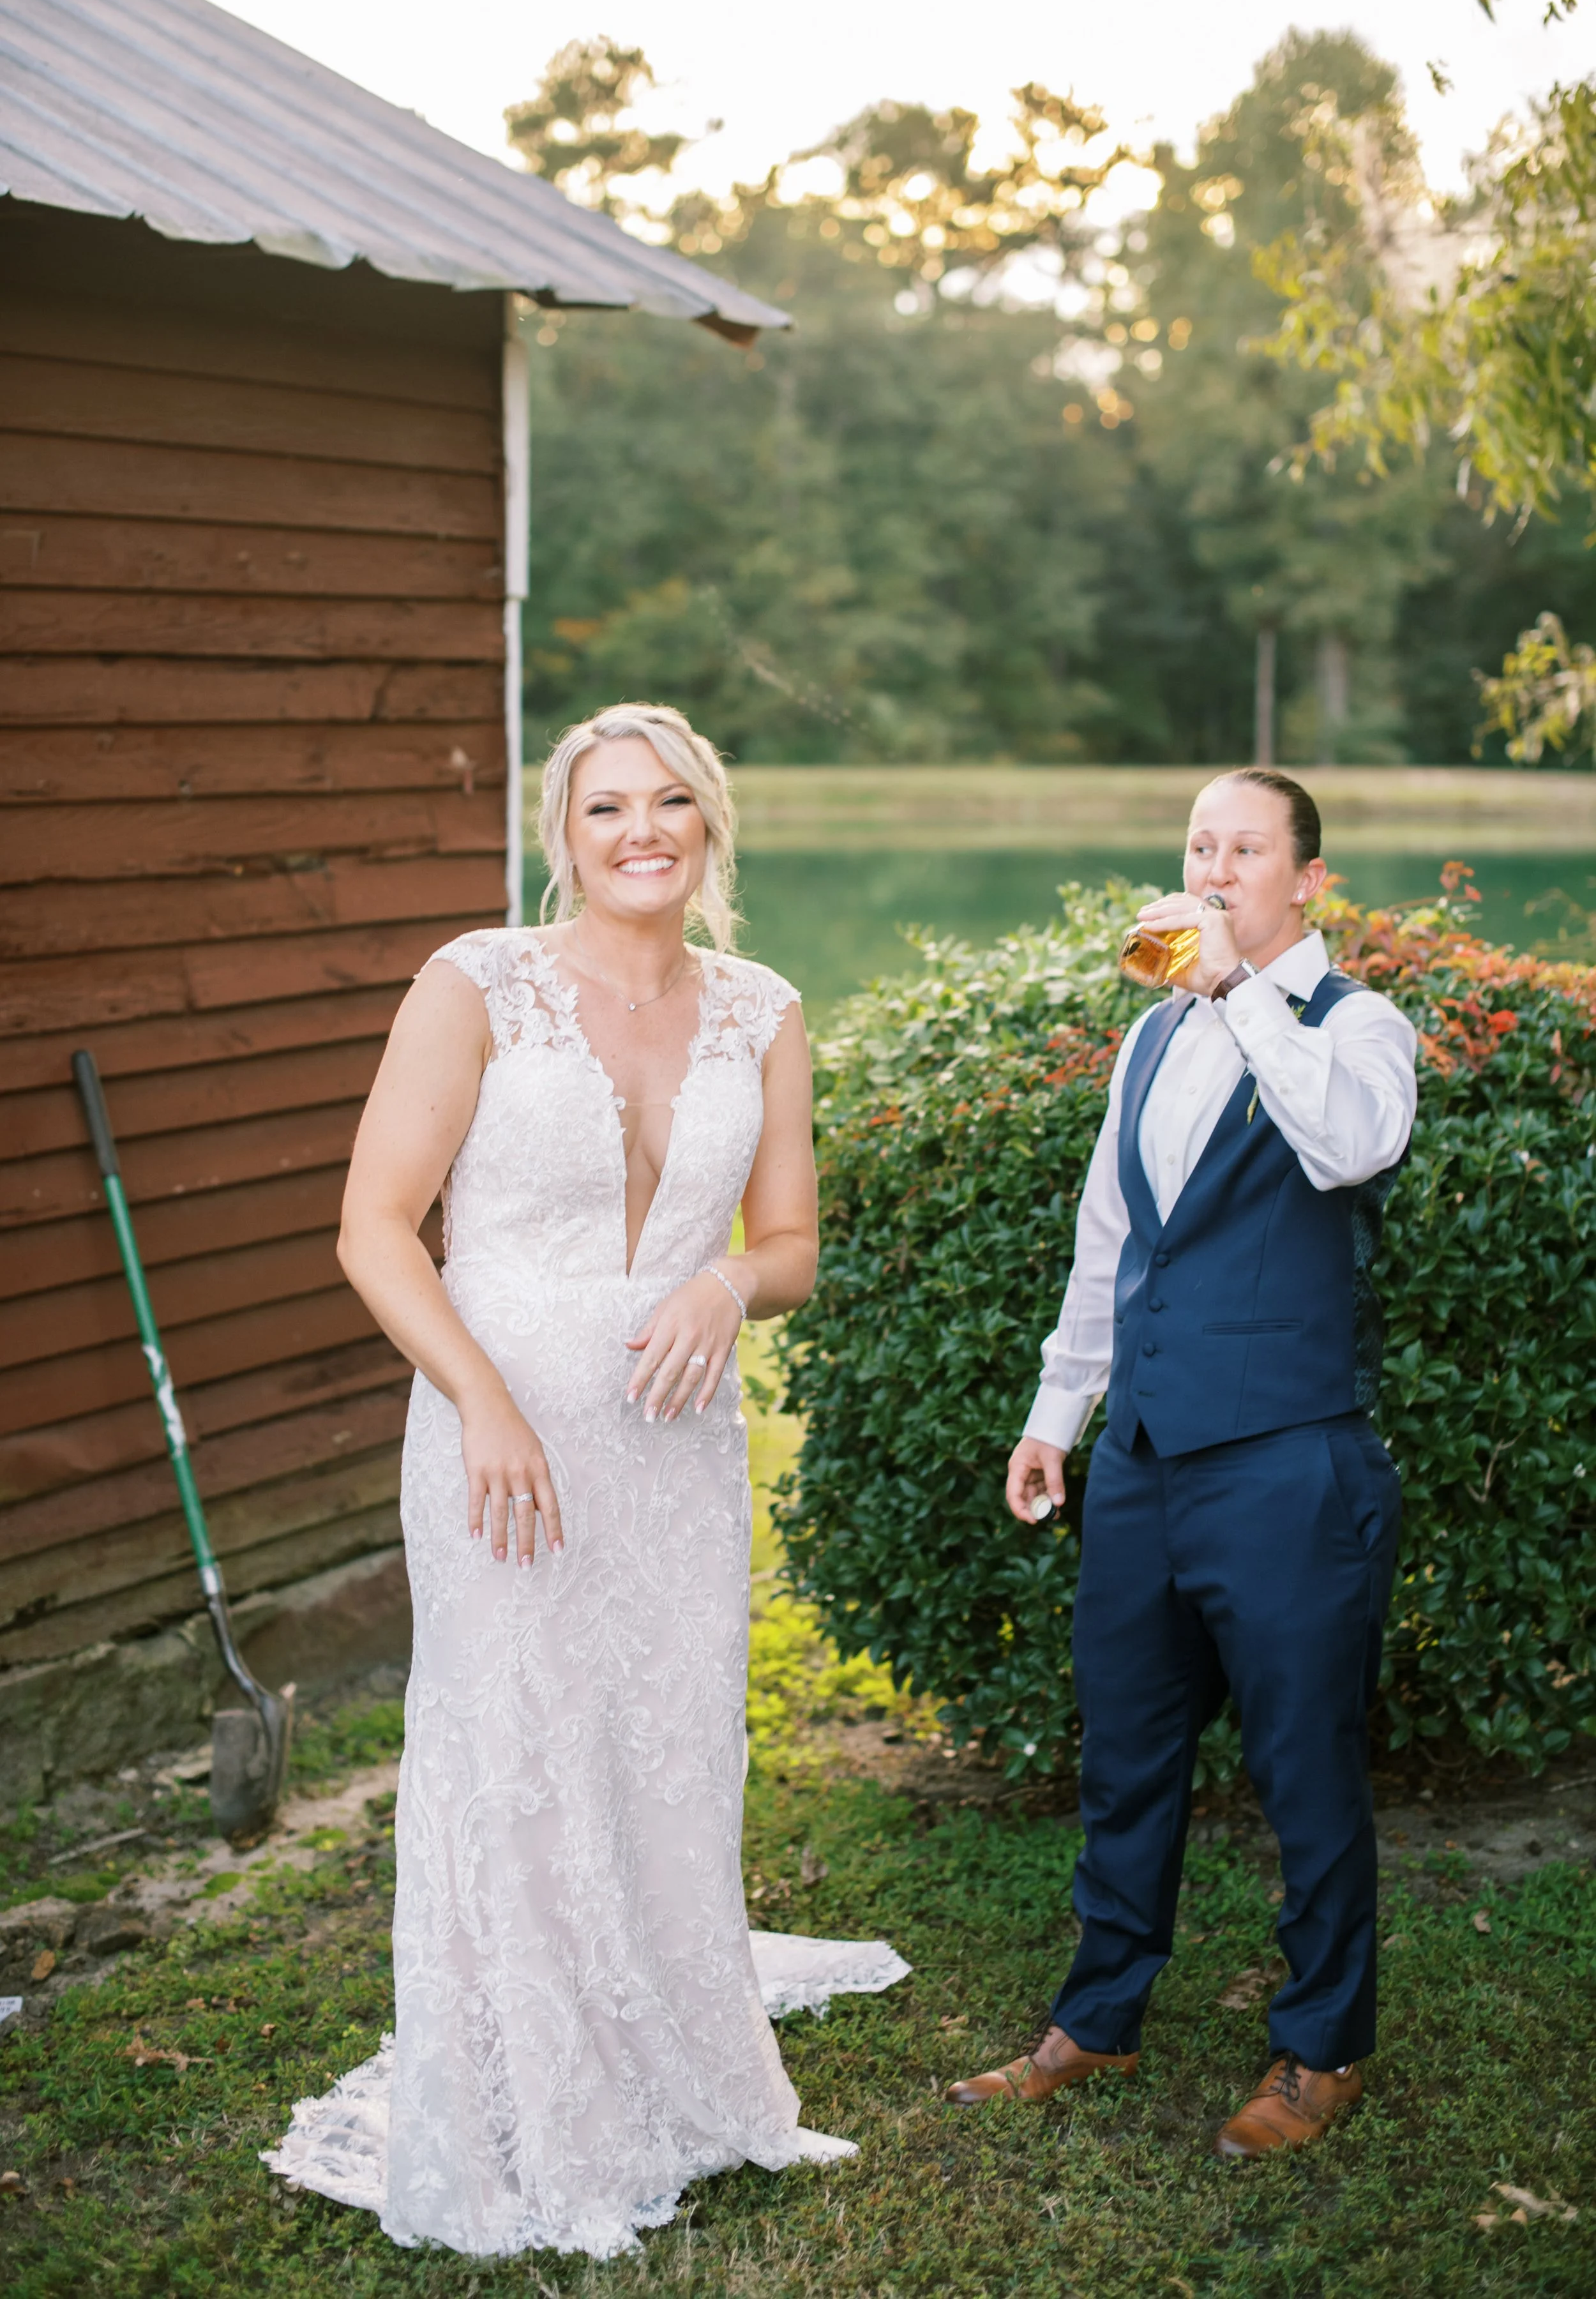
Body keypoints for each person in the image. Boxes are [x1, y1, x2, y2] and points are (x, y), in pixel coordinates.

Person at [264, 703, 906, 2259]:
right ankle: (527, 2107)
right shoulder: (474, 982)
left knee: (666, 1757)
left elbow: (792, 1244)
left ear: (708, 826)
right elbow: (373, 1226)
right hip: (502, 1439)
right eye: (607, 807)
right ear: (564, 836)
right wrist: (478, 1399)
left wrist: (724, 1286)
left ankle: (685, 2088)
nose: (641, 831)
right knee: (518, 1753)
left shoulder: (763, 1007)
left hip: (670, 1445)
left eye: (669, 803)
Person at [945, 767, 1417, 2159]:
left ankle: (1318, 2049)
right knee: (1128, 1758)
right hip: (1145, 1467)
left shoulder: (1355, 1025)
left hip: (1287, 1465)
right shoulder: (1150, 1038)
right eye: (1198, 843)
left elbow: (1347, 1148)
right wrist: (1055, 1415)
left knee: (1304, 1769)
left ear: (1303, 880)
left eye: (1245, 847)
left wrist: (1237, 991)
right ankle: (1096, 2017)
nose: (1212, 868)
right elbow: (1113, 1241)